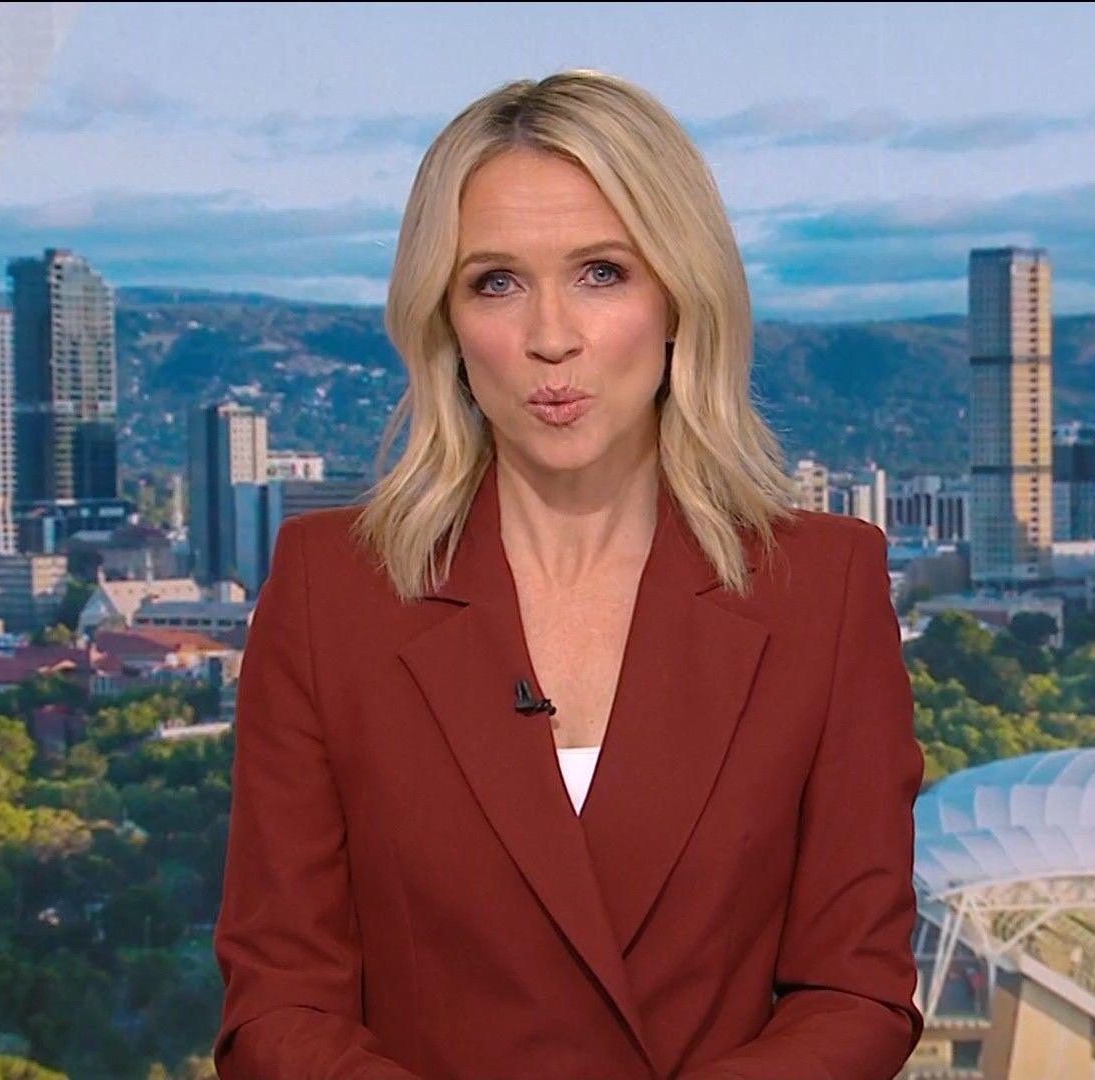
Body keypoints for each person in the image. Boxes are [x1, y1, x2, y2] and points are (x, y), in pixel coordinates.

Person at [213, 69, 924, 1080]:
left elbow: (855, 994)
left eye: (601, 272)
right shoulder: (334, 589)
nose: (551, 337)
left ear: (679, 296)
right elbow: (279, 1004)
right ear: (446, 320)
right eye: (495, 282)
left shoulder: (823, 586)